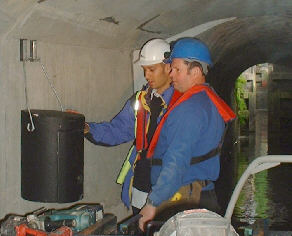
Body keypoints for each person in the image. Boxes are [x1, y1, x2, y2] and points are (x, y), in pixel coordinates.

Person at [138, 38, 236, 231]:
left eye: (177, 69)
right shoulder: (206, 100)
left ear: (196, 72)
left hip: (182, 199)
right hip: (201, 194)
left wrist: (152, 203)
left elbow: (176, 162)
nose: (171, 74)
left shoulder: (189, 109)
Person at [84, 38, 181, 214]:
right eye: (145, 70)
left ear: (168, 67)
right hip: (141, 186)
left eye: (152, 69)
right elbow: (118, 130)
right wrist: (87, 129)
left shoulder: (181, 103)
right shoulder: (140, 100)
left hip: (170, 191)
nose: (147, 76)